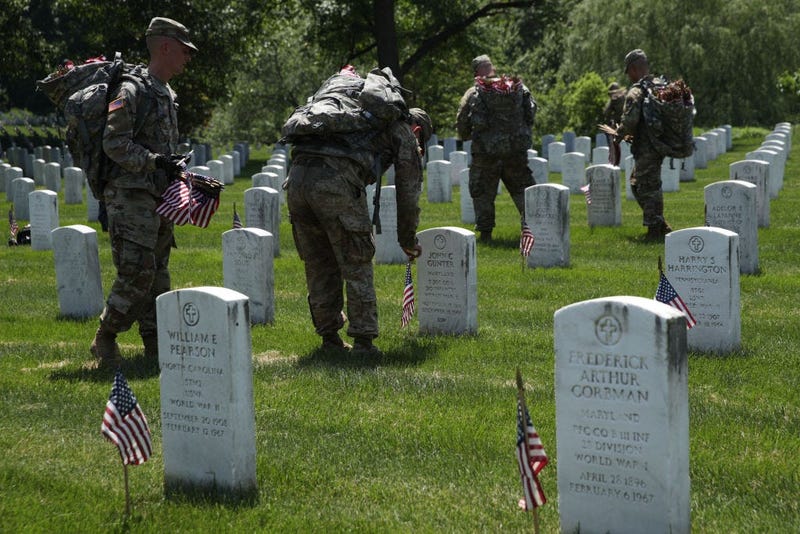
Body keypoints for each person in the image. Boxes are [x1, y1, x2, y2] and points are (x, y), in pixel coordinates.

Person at [286, 86, 431, 356]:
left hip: (296, 180)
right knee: (357, 260)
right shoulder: (402, 130)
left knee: (319, 263)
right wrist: (408, 240)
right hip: (335, 184)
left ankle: (329, 339)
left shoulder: (354, 115)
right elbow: (408, 192)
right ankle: (364, 342)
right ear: (419, 130)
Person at [91, 17, 197, 364]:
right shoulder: (131, 90)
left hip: (159, 195)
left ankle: (154, 343)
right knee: (137, 271)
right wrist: (154, 162)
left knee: (158, 274)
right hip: (130, 195)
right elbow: (114, 143)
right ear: (164, 47)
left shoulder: (167, 93)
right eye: (183, 51)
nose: (187, 59)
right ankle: (106, 336)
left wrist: (176, 169)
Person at [456, 54, 536, 243]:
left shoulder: (474, 92)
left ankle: (485, 234)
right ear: (492, 68)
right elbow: (531, 114)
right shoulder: (517, 88)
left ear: (476, 71)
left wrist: (467, 136)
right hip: (515, 152)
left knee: (482, 192)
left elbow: (462, 121)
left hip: (486, 153)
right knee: (523, 190)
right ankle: (535, 229)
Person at [613, 48, 672, 241]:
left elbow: (629, 121)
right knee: (637, 183)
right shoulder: (660, 86)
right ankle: (660, 224)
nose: (628, 75)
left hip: (648, 147)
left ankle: (655, 230)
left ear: (635, 68)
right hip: (660, 143)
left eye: (628, 71)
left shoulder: (638, 90)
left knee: (648, 186)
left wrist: (618, 134)